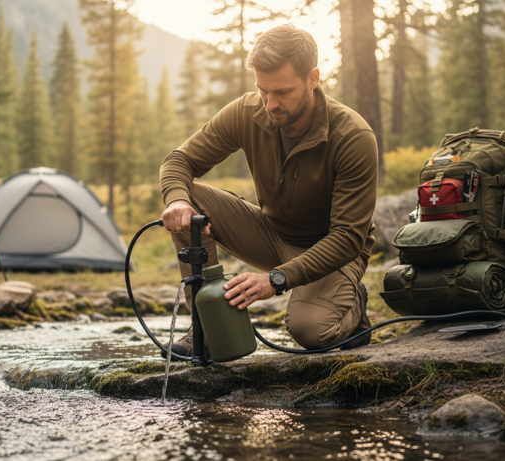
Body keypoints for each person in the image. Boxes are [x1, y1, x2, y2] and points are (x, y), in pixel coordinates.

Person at [159, 24, 379, 358]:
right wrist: (176, 200)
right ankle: (205, 328)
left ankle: (353, 306)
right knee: (190, 201)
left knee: (310, 330)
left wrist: (274, 280)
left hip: (334, 253)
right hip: (272, 235)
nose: (271, 103)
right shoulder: (247, 112)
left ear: (313, 78)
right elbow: (179, 160)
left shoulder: (352, 137)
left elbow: (348, 237)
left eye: (282, 92)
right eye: (263, 90)